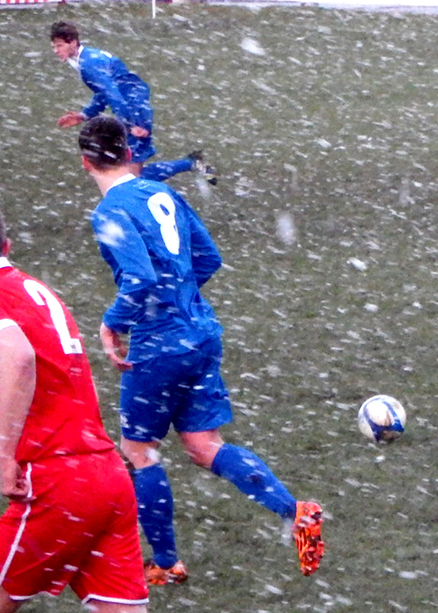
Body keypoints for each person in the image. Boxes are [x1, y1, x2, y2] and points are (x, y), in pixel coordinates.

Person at [78, 116, 323, 584]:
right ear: (130, 153)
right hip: (201, 333)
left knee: (138, 451)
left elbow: (140, 279)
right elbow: (207, 257)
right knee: (205, 446)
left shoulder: (110, 211)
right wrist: (182, 299)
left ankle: (166, 563)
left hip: (160, 345)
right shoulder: (162, 192)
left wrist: (113, 324)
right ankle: (297, 511)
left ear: (85, 162)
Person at [0, 210, 150, 611]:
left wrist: (2, 454)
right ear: (7, 246)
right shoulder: (34, 289)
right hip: (105, 477)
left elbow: (17, 358)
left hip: (56, 480)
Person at [50, 21, 217, 185]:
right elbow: (104, 92)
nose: (56, 51)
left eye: (59, 46)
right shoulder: (88, 57)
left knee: (131, 180)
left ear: (73, 42)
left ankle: (191, 163)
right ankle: (191, 163)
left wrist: (130, 124)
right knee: (130, 178)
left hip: (134, 111)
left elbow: (113, 94)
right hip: (135, 107)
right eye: (54, 47)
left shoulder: (88, 64)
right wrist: (84, 114)